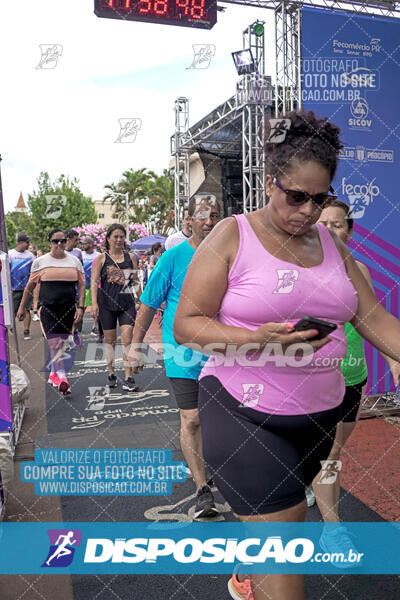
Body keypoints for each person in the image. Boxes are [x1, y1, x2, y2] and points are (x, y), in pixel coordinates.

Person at [173, 110, 400, 600]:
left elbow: (375, 319)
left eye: (320, 199)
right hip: (243, 411)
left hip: (320, 417)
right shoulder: (232, 234)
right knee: (286, 567)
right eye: (296, 196)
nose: (308, 211)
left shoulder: (330, 244)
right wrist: (259, 340)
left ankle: (243, 573)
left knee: (284, 522)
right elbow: (187, 325)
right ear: (270, 182)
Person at [308, 200, 400, 552]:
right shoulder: (302, 268)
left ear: (349, 229)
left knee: (331, 449)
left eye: (338, 225)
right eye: (325, 224)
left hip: (352, 377)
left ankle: (312, 481)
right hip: (313, 380)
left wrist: (393, 360)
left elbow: (373, 321)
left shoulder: (359, 269)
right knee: (329, 454)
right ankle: (333, 530)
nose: (331, 231)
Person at [129, 193, 222, 519]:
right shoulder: (172, 258)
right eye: (203, 216)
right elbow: (148, 305)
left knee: (221, 421)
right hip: (182, 354)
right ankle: (202, 489)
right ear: (189, 221)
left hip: (223, 355)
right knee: (192, 418)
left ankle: (217, 470)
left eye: (215, 215)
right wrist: (134, 348)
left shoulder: (230, 257)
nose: (209, 222)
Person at [16, 229, 85, 395]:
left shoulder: (74, 261)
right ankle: (62, 378)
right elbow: (30, 287)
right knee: (54, 343)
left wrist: (81, 307)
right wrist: (21, 307)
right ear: (50, 243)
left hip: (68, 308)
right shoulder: (40, 262)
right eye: (55, 241)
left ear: (66, 241)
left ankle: (54, 373)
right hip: (47, 308)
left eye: (62, 240)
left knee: (61, 343)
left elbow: (81, 285)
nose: (59, 244)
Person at [91, 224, 139, 392]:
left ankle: (128, 377)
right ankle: (111, 372)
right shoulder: (101, 259)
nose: (119, 240)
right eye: (115, 237)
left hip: (127, 304)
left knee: (127, 339)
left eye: (121, 237)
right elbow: (94, 281)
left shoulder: (131, 258)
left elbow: (135, 281)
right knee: (110, 342)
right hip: (107, 305)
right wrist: (94, 304)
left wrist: (142, 299)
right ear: (108, 238)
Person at [9, 233, 35, 340]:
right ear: (20, 242)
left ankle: (26, 331)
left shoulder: (30, 256)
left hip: (27, 288)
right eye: (27, 242)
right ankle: (10, 328)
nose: (28, 244)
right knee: (14, 310)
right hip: (14, 288)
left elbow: (33, 271)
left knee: (27, 309)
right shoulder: (10, 254)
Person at [81, 237, 100, 335]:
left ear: (91, 244)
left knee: (95, 306)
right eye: (82, 244)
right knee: (81, 307)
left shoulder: (98, 256)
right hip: (82, 286)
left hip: (94, 286)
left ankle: (94, 326)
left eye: (85, 244)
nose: (82, 245)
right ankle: (79, 322)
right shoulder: (80, 255)